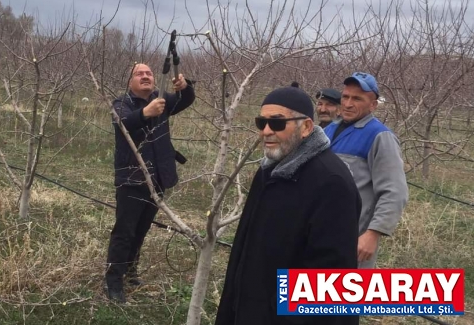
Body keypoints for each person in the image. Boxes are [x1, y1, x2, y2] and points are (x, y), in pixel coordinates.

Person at [215, 83, 361, 325]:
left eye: (278, 122)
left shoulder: (331, 183)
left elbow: (329, 283)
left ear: (305, 127)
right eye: (262, 123)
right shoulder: (270, 170)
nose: (267, 131)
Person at [105, 63, 195, 303]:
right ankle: (114, 281)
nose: (145, 77)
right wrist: (146, 113)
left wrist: (185, 88)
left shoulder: (161, 99)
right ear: (130, 82)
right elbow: (122, 123)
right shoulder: (121, 104)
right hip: (132, 179)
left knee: (142, 229)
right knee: (125, 231)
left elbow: (185, 100)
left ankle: (130, 269)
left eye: (149, 73)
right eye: (139, 74)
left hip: (158, 178)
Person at [324, 72, 408, 269]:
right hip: (320, 233)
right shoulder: (328, 130)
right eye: (345, 97)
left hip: (353, 240)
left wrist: (373, 233)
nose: (348, 104)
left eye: (357, 98)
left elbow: (394, 191)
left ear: (373, 105)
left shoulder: (380, 137)